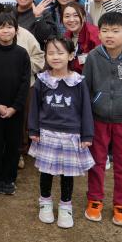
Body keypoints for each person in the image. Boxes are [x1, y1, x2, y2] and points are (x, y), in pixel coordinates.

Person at [83, 12, 122, 227]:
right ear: (99, 33)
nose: (109, 35)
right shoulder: (93, 57)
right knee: (97, 161)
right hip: (97, 119)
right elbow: (86, 90)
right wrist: (85, 119)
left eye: (115, 31)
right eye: (105, 31)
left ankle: (121, 204)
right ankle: (94, 199)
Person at [28, 36, 95, 229]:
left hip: (71, 135)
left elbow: (86, 109)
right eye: (50, 53)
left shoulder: (78, 82)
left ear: (71, 55)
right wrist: (33, 129)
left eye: (60, 53)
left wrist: (87, 135)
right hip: (47, 133)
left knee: (67, 174)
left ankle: (66, 206)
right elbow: (34, 107)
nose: (55, 57)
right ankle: (45, 203)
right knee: (46, 172)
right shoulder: (42, 80)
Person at [0, 5, 45, 166]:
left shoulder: (26, 35)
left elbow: (39, 57)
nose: (5, 28)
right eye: (1, 22)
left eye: (9, 23)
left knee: (19, 123)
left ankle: (18, 153)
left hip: (22, 86)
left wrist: (22, 68)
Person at [0, 12, 32, 195]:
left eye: (10, 27)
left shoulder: (22, 54)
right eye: (1, 27)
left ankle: (10, 178)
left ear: (16, 30)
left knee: (13, 144)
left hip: (15, 110)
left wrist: (15, 107)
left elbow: (25, 83)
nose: (6, 30)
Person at [62, 2, 101, 74]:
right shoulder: (66, 36)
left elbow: (100, 61)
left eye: (76, 15)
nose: (71, 20)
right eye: (67, 16)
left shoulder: (94, 34)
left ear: (83, 17)